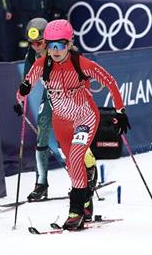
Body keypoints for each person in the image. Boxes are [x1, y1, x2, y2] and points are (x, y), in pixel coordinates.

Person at [17, 20, 129, 229]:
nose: (55, 50)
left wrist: (120, 112)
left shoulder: (81, 63)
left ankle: (75, 210)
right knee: (72, 165)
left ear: (69, 44)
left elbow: (111, 82)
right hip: (61, 122)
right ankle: (86, 202)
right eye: (50, 45)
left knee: (77, 157)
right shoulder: (41, 65)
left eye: (60, 45)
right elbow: (25, 87)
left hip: (84, 118)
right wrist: (22, 92)